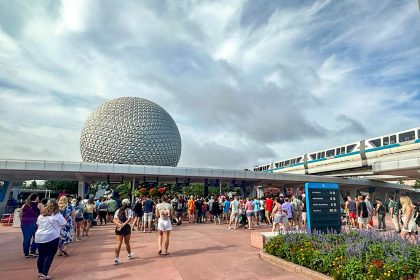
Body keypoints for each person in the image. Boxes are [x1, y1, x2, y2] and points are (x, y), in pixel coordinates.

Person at [35, 201, 66, 280]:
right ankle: (44, 274)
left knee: (41, 255)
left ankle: (40, 272)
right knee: (49, 255)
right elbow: (63, 224)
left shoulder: (41, 216)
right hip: (51, 237)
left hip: (39, 236)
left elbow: (38, 224)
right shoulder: (57, 215)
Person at [113, 199, 134, 265]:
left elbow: (114, 219)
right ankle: (129, 254)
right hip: (126, 228)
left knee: (118, 243)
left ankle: (116, 258)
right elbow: (129, 219)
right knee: (127, 242)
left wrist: (119, 224)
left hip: (118, 228)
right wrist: (123, 225)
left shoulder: (118, 210)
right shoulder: (129, 210)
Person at [20, 193, 41, 258]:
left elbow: (20, 214)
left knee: (26, 238)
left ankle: (26, 253)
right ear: (36, 198)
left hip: (24, 223)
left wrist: (22, 222)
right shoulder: (38, 205)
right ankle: (33, 251)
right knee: (36, 238)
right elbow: (43, 213)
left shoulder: (24, 205)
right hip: (34, 223)